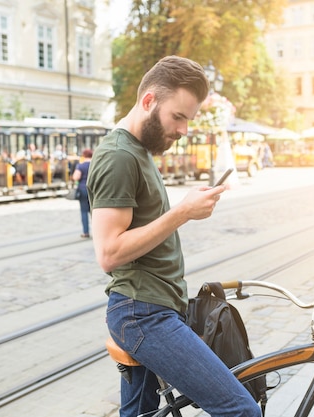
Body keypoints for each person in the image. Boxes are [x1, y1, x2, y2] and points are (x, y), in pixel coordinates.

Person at [86, 56, 261, 417]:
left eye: (188, 120)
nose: (183, 130)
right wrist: (182, 212)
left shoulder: (139, 151)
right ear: (149, 101)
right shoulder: (119, 156)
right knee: (242, 410)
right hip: (143, 314)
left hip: (154, 309)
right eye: (177, 117)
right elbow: (109, 253)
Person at [72, 148, 93, 238]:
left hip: (83, 189)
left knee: (84, 211)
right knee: (94, 211)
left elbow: (76, 177)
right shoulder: (95, 165)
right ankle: (99, 232)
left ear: (84, 156)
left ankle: (86, 232)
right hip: (93, 190)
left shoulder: (81, 166)